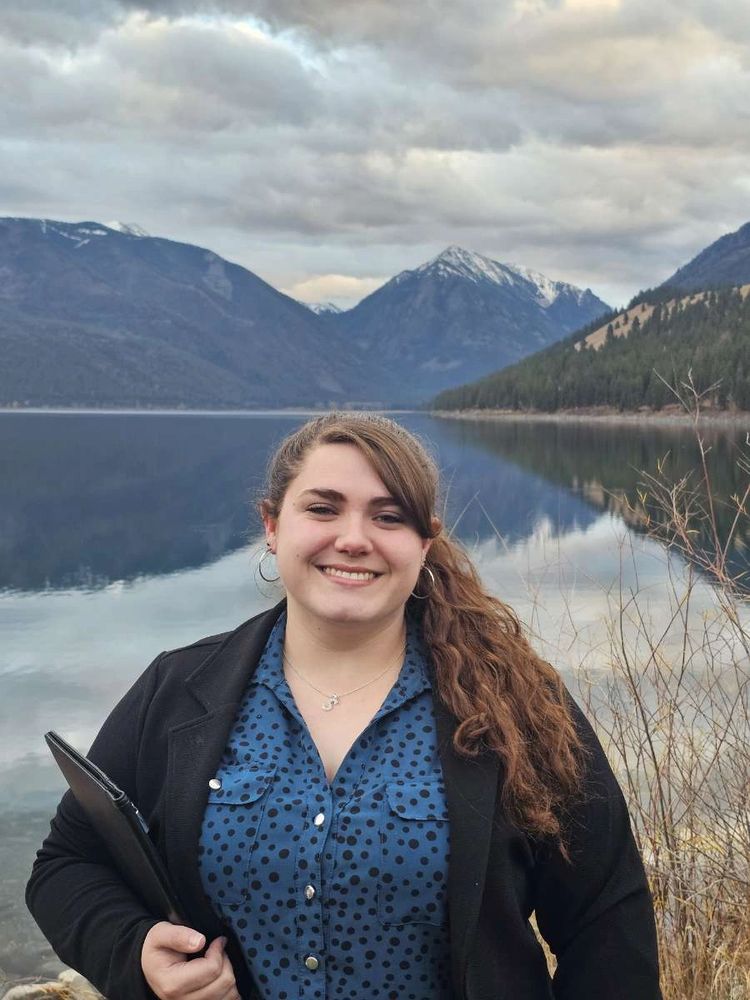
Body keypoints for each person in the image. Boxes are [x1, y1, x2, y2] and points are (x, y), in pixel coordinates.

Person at [27, 412, 662, 1000]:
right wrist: (135, 951)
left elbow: (606, 922)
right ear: (273, 527)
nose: (353, 538)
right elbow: (68, 865)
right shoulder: (178, 690)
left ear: (424, 541)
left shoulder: (515, 704)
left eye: (389, 517)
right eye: (323, 509)